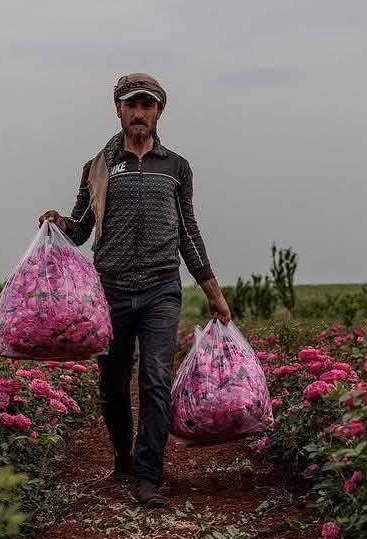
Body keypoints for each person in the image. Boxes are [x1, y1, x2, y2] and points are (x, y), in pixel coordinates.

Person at [38, 72, 230, 508]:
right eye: (131, 105)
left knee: (156, 380)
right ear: (118, 109)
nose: (139, 113)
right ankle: (123, 458)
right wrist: (58, 224)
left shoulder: (176, 167)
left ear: (159, 111)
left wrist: (213, 292)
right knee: (112, 383)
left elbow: (188, 233)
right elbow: (81, 229)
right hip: (110, 292)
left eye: (147, 105)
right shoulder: (99, 167)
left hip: (162, 289)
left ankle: (149, 474)